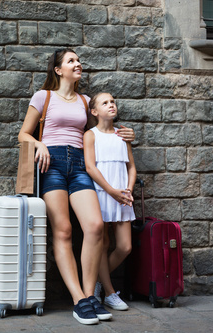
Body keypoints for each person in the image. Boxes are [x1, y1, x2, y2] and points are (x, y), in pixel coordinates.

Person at [18, 48, 135, 325]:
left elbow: (102, 131)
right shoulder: (43, 97)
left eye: (78, 60)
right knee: (64, 230)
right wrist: (39, 143)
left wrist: (126, 134)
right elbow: (23, 133)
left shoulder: (85, 101)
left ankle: (89, 295)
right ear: (58, 70)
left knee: (94, 227)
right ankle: (79, 300)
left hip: (80, 165)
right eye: (71, 61)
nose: (77, 64)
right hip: (52, 163)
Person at [83, 92, 136, 311]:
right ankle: (110, 292)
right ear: (94, 112)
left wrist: (128, 190)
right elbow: (90, 167)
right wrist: (111, 191)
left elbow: (131, 167)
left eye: (113, 101)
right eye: (105, 103)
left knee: (125, 246)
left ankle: (96, 281)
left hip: (123, 196)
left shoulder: (122, 134)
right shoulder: (90, 135)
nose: (111, 105)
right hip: (103, 193)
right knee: (102, 245)